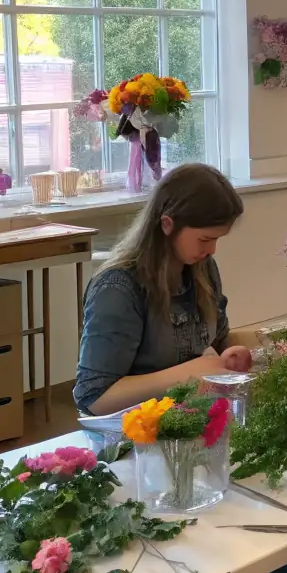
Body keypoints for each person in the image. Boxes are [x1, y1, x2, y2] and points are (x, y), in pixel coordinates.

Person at [74, 164, 253, 416]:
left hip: (188, 419)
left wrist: (237, 352)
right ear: (167, 224)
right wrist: (189, 374)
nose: (212, 250)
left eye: (217, 239)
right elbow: (94, 397)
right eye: (205, 239)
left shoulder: (201, 268)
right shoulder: (118, 288)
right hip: (133, 433)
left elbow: (219, 339)